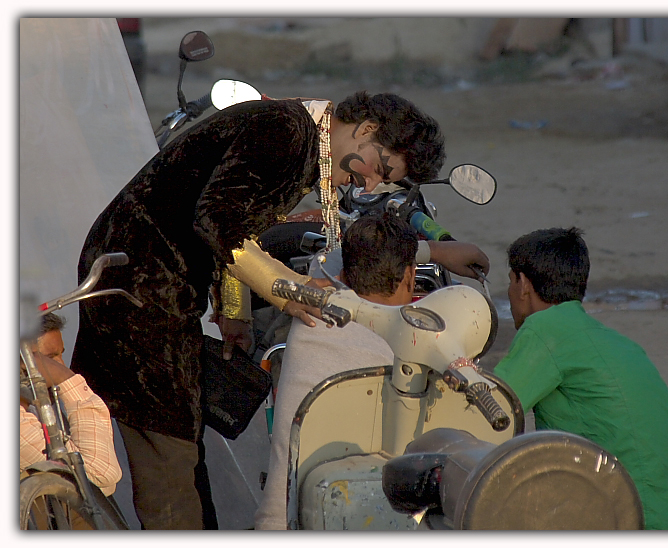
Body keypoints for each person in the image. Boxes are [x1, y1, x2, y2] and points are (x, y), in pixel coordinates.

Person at [72, 90, 488, 529]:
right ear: (366, 130)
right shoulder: (287, 132)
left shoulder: (299, 136)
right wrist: (291, 291)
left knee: (180, 436)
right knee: (168, 444)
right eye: (378, 169)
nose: (367, 185)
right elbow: (218, 222)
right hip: (136, 286)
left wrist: (236, 314)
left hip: (149, 284)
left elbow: (232, 228)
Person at [492, 227, 668, 530]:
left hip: (618, 518)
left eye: (509, 281)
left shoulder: (545, 329)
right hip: (660, 514)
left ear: (523, 284)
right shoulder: (616, 342)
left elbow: (492, 414)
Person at [254, 212, 417, 530]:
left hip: (281, 521)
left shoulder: (313, 321)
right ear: (410, 277)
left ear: (343, 274)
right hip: (375, 518)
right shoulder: (411, 341)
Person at [20, 313, 122, 497]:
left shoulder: (35, 408)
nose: (61, 365)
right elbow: (100, 475)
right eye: (50, 358)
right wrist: (67, 380)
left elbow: (105, 488)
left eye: (61, 355)